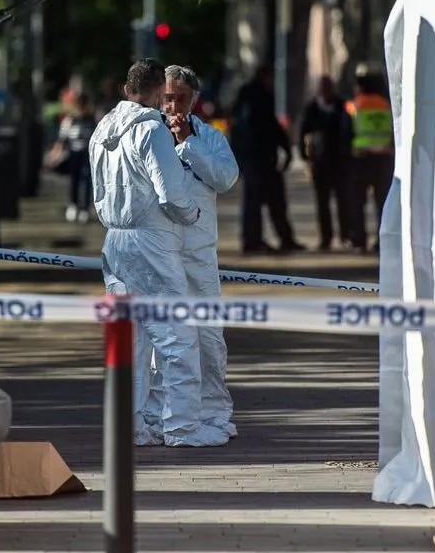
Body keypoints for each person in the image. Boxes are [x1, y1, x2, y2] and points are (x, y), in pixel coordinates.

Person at [89, 58, 227, 448]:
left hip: (114, 241)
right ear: (154, 91)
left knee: (130, 339)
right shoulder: (151, 130)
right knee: (178, 335)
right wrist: (192, 212)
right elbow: (170, 193)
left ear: (125, 88)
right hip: (151, 238)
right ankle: (182, 426)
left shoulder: (101, 130)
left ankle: (129, 425)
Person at [139, 65, 240, 439]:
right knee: (163, 340)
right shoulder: (146, 135)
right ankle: (159, 413)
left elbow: (226, 178)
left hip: (199, 254)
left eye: (181, 99)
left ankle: (213, 414)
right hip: (159, 252)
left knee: (208, 338)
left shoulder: (209, 138)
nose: (173, 106)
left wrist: (187, 146)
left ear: (193, 100)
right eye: (167, 98)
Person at [230, 65, 305, 254]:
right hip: (258, 158)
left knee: (265, 199)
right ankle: (256, 240)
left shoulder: (249, 97)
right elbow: (269, 127)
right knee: (260, 200)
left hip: (256, 157)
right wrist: (285, 149)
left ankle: (265, 238)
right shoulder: (258, 98)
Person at [297, 76, 353, 251]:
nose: (326, 91)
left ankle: (346, 236)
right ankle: (326, 238)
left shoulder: (342, 105)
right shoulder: (311, 108)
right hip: (320, 162)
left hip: (340, 162)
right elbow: (302, 134)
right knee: (322, 203)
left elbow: (350, 130)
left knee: (343, 201)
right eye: (323, 87)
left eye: (329, 87)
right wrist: (306, 159)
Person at [345, 70, 395, 254]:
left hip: (360, 159)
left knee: (357, 202)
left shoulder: (355, 106)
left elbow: (345, 132)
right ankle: (383, 240)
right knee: (383, 203)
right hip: (383, 159)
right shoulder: (386, 105)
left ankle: (359, 240)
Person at [54, 94, 96, 223]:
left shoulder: (91, 119)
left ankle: (85, 208)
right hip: (74, 153)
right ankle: (74, 205)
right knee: (74, 180)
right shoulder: (70, 120)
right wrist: (56, 153)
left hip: (87, 153)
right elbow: (62, 138)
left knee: (87, 181)